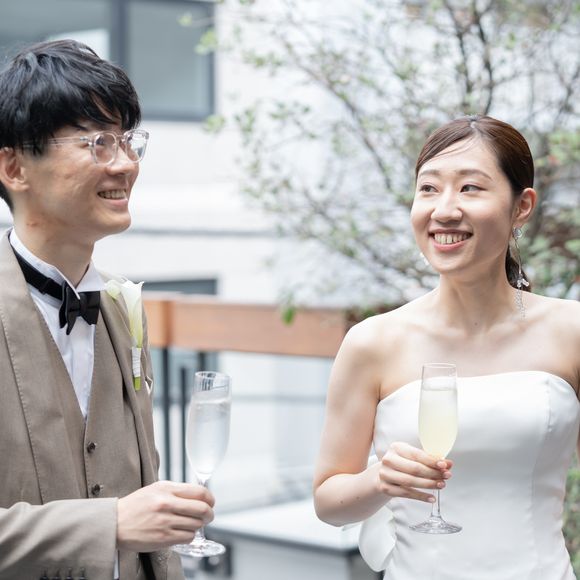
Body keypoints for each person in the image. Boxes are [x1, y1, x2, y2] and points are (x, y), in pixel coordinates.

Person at [313, 115, 580, 579]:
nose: (444, 210)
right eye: (429, 189)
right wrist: (379, 479)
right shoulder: (372, 341)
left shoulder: (570, 330)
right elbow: (328, 502)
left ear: (522, 206)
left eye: (470, 188)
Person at [0, 40, 214, 580]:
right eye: (97, 142)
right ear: (14, 167)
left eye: (127, 140)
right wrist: (109, 524)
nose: (125, 164)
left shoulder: (121, 309)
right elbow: (126, 520)